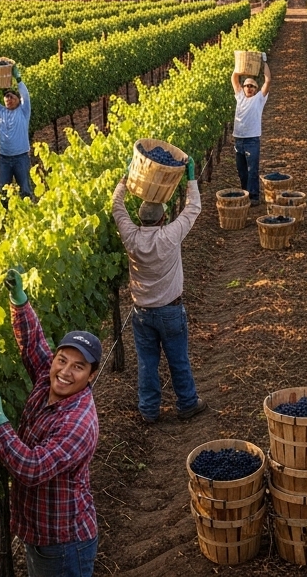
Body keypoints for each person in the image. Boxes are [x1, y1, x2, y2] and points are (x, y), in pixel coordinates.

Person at [0, 268, 102, 577]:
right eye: (62, 359)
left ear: (91, 375)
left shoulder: (79, 422)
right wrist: (19, 301)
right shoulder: (51, 377)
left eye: (78, 367)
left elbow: (32, 468)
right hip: (39, 531)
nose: (65, 371)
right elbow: (33, 344)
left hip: (63, 542)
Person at [111, 159, 208, 424]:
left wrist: (123, 183)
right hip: (170, 311)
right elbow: (193, 208)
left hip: (141, 313)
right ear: (164, 218)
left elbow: (117, 208)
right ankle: (187, 403)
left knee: (147, 363)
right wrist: (190, 179)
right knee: (178, 359)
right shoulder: (170, 235)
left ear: (140, 218)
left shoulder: (130, 236)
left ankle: (149, 410)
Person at [0, 57, 33, 199]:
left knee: (25, 190)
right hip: (4, 159)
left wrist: (18, 80)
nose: (8, 99)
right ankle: (6, 219)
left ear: (19, 100)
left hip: (21, 158)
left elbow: (26, 96)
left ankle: (28, 217)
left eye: (12, 96)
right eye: (6, 97)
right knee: (3, 194)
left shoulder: (23, 111)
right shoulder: (0, 111)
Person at [231, 57, 270, 204]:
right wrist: (241, 64)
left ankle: (253, 197)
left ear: (256, 89)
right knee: (242, 171)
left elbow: (268, 81)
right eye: (246, 85)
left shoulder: (259, 99)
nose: (249, 87)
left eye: (252, 86)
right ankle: (246, 194)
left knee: (252, 170)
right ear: (243, 87)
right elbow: (234, 77)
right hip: (238, 140)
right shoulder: (239, 96)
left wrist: (263, 62)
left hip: (252, 140)